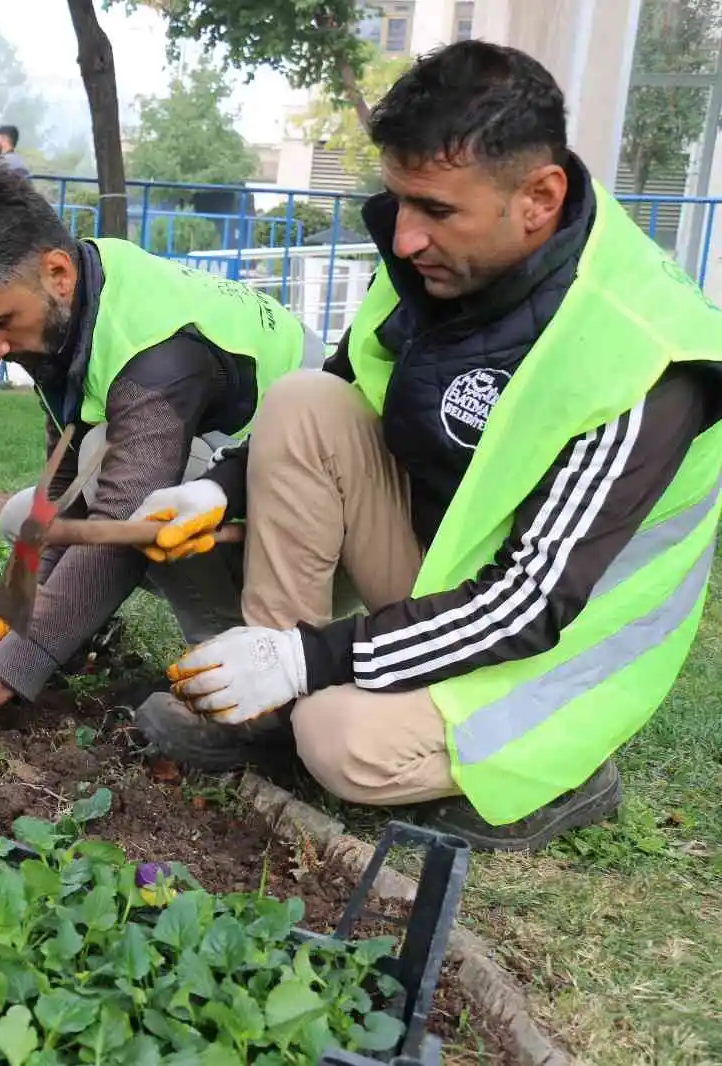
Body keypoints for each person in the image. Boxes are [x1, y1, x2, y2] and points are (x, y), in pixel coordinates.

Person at [130, 40, 722, 852]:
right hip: (450, 583)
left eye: (436, 210)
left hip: (553, 653)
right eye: (399, 201)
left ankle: (568, 773)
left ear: (540, 198)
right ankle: (264, 697)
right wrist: (221, 487)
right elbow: (347, 380)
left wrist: (315, 658)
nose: (404, 237)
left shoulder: (645, 354)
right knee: (305, 399)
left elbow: (533, 601)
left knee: (338, 740)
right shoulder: (436, 262)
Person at [0, 158, 326, 754]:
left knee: (147, 508)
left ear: (57, 272)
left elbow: (123, 529)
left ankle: (242, 686)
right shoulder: (76, 303)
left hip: (316, 523)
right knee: (27, 518)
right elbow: (64, 479)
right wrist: (20, 613)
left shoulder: (156, 350)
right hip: (238, 487)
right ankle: (76, 632)